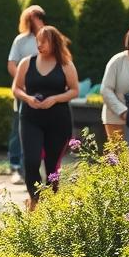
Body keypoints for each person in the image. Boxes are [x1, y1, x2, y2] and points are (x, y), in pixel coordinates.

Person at [12, 26, 79, 207]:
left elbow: (74, 90)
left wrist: (55, 99)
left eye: (44, 41)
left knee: (52, 165)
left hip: (58, 120)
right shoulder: (27, 62)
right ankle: (34, 200)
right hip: (30, 118)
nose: (39, 45)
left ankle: (50, 204)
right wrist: (27, 98)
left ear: (54, 42)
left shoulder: (65, 64)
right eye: (37, 41)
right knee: (31, 161)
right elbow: (16, 87)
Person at [7, 6, 47, 183]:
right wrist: (22, 81)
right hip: (23, 90)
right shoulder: (21, 41)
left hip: (44, 91)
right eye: (31, 18)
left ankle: (36, 166)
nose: (34, 21)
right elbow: (12, 64)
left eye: (37, 18)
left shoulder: (49, 38)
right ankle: (15, 165)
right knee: (19, 126)